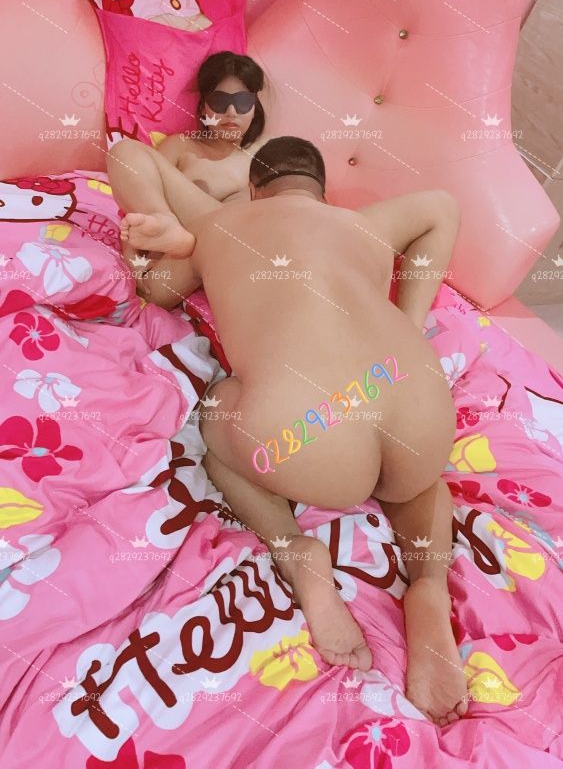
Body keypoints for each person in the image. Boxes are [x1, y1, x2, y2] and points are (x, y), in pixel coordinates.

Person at [113, 135, 465, 727]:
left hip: (304, 438)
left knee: (218, 414)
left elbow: (130, 167)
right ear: (322, 192)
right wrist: (408, 323)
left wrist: (165, 236)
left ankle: (294, 549)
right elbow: (442, 208)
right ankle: (429, 583)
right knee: (420, 481)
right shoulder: (365, 225)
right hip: (416, 407)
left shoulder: (221, 222)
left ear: (255, 188)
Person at [107, 50, 266, 308]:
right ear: (203, 107)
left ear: (255, 108)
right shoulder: (181, 146)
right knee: (123, 151)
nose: (231, 112)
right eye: (219, 101)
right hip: (166, 275)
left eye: (243, 102)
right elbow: (136, 198)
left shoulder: (264, 157)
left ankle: (181, 233)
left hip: (222, 253)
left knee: (237, 215)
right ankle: (167, 222)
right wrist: (132, 259)